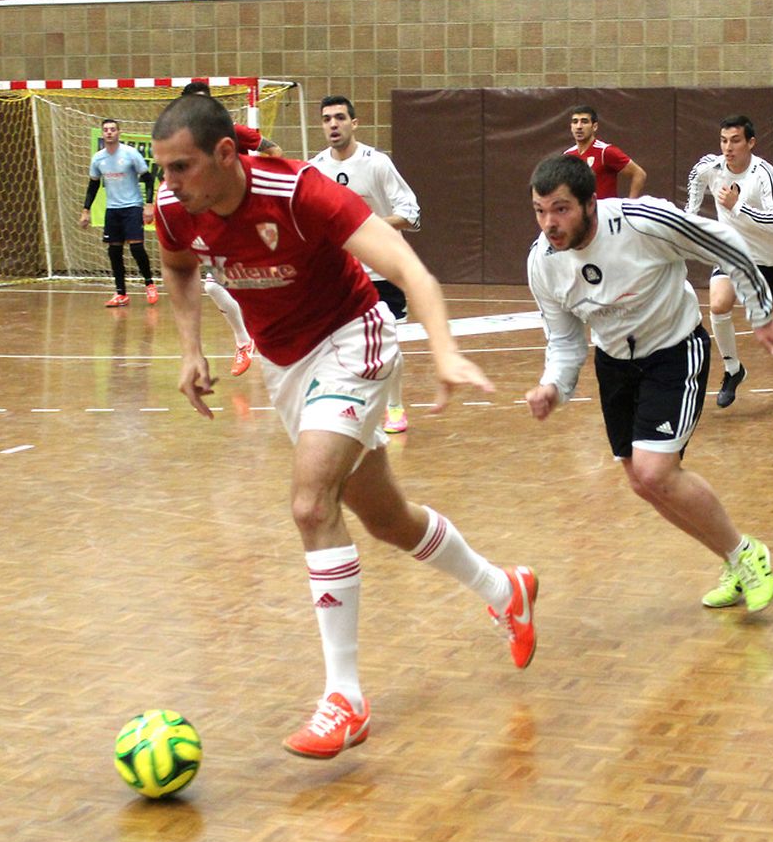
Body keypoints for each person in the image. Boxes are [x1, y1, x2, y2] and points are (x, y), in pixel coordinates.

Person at [151, 94, 538, 760]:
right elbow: (180, 270)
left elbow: (407, 266)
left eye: (181, 167)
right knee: (387, 521)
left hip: (351, 339)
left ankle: (345, 699)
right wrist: (190, 348)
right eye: (162, 170)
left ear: (223, 155)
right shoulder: (174, 211)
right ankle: (507, 590)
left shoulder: (298, 190)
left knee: (310, 504)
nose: (169, 183)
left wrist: (443, 349)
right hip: (286, 367)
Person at [524, 154, 773, 614]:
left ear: (591, 203)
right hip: (615, 365)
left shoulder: (641, 221)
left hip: (674, 350)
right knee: (641, 482)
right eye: (539, 210)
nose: (549, 223)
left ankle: (747, 554)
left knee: (656, 471)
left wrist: (761, 314)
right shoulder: (542, 262)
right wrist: (552, 385)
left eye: (560, 209)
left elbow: (727, 244)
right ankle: (735, 560)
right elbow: (564, 339)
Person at [311, 94, 421, 435]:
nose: (333, 124)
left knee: (387, 345)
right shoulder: (316, 168)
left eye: (340, 118)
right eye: (327, 119)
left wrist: (366, 226)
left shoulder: (377, 163)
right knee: (342, 346)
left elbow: (411, 211)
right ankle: (349, 407)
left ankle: (394, 406)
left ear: (354, 123)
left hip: (383, 270)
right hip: (341, 274)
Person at [686, 115, 773, 405]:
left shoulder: (764, 174)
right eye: (724, 140)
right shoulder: (709, 168)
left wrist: (736, 206)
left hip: (772, 258)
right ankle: (733, 369)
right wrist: (687, 225)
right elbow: (693, 188)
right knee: (717, 304)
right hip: (732, 254)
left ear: (751, 143)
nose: (728, 147)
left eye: (736, 140)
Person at [178, 82, 284, 375]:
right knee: (213, 285)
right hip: (216, 224)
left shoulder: (233, 132)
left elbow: (275, 150)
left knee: (267, 283)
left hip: (251, 218)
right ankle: (243, 341)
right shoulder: (182, 143)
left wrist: (255, 180)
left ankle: (282, 340)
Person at [79, 118, 157, 308]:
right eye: (106, 130)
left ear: (118, 132)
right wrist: (86, 210)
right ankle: (121, 293)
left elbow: (148, 178)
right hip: (112, 209)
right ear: (102, 133)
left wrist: (148, 204)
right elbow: (93, 185)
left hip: (132, 206)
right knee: (114, 251)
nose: (109, 133)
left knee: (136, 248)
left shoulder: (130, 154)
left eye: (113, 129)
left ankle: (149, 283)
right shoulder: (98, 158)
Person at [563, 105, 647, 199]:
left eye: (584, 122)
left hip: (605, 211)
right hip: (581, 212)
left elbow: (639, 173)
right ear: (571, 127)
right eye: (575, 122)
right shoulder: (568, 155)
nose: (579, 127)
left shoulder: (605, 151)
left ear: (594, 127)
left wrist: (631, 205)